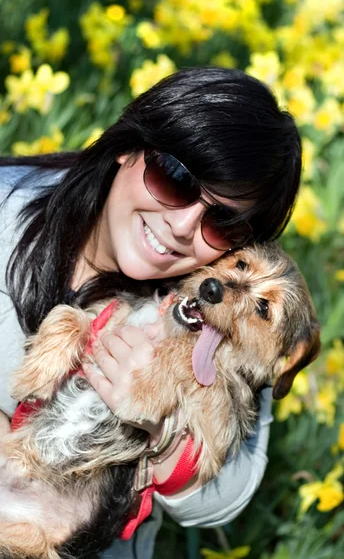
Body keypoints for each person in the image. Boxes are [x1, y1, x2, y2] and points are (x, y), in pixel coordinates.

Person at [0, 67, 302, 558]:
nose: (183, 227)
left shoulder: (220, 315)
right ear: (128, 145)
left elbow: (225, 498)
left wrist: (162, 432)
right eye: (174, 178)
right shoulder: (5, 211)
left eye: (223, 221)